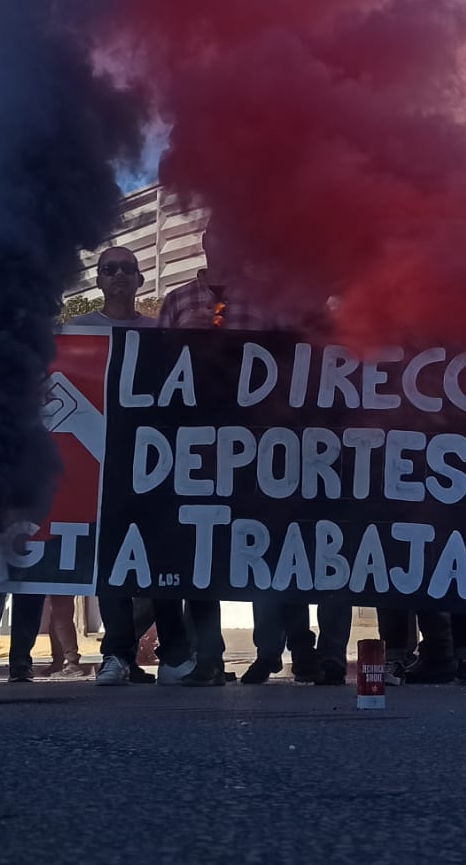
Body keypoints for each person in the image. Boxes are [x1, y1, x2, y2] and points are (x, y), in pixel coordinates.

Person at [156, 236, 302, 687]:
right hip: (196, 444)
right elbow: (154, 367)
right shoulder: (177, 300)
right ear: (204, 243)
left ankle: (268, 652)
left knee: (261, 545)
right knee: (202, 548)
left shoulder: (265, 301)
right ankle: (209, 657)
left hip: (257, 443)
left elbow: (290, 363)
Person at [70, 247, 177, 688]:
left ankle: (174, 654)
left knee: (165, 556)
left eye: (126, 269)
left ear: (140, 279)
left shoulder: (159, 333)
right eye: (108, 269)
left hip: (156, 459)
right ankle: (116, 654)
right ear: (98, 280)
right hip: (101, 460)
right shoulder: (77, 331)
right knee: (111, 559)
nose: (117, 275)